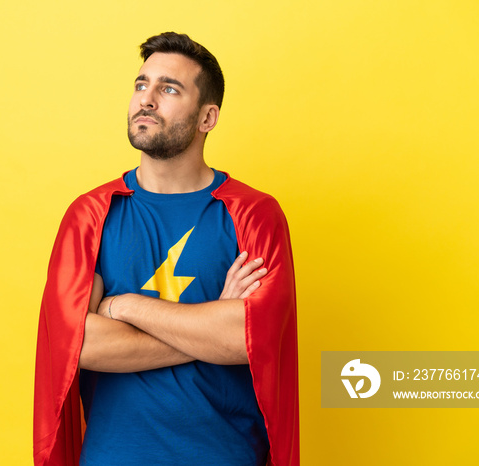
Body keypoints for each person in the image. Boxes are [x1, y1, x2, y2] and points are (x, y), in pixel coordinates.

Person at [34, 32, 299, 466]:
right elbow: (78, 346)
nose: (147, 99)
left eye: (169, 88)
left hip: (224, 456)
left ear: (207, 118)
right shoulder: (90, 215)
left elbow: (248, 339)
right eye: (142, 85)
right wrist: (212, 321)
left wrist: (124, 307)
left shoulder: (253, 214)